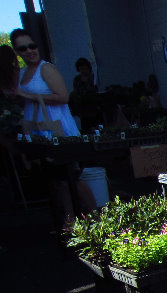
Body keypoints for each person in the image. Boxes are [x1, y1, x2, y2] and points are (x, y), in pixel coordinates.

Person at [11, 29, 96, 228]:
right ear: (17, 52)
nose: (30, 51)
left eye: (32, 46)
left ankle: (98, 215)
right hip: (40, 131)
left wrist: (30, 96)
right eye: (24, 48)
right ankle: (70, 220)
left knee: (72, 177)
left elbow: (63, 97)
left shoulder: (46, 69)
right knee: (57, 180)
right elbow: (19, 98)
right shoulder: (22, 74)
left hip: (59, 130)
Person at [69, 57, 101, 132]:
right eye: (81, 69)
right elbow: (76, 92)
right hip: (83, 109)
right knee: (86, 128)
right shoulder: (77, 79)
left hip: (94, 107)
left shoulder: (93, 77)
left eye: (85, 68)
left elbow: (95, 90)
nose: (83, 71)